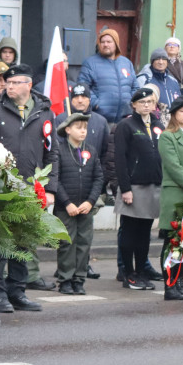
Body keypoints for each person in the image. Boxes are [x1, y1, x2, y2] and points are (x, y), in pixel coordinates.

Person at [0, 64, 57, 312]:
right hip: (1, 188)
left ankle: (17, 291)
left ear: (28, 85)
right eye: (7, 82)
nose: (9, 86)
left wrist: (51, 189)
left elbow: (53, 153)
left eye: (15, 82)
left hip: (32, 189)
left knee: (23, 243)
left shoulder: (44, 113)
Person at [114, 86, 163, 291]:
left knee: (144, 233)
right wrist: (125, 188)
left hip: (153, 186)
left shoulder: (158, 125)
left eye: (150, 102)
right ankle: (128, 273)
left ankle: (142, 271)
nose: (146, 105)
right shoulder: (126, 125)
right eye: (142, 102)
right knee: (129, 232)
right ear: (134, 104)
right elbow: (120, 159)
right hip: (133, 187)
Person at [52, 113, 104, 295]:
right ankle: (65, 279)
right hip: (66, 208)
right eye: (78, 128)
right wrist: (66, 203)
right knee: (67, 243)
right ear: (67, 130)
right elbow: (55, 179)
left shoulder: (90, 150)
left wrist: (90, 201)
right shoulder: (58, 150)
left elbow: (98, 177)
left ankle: (79, 279)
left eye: (85, 128)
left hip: (85, 207)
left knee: (84, 243)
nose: (83, 132)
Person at [158, 95, 183, 297]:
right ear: (174, 114)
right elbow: (173, 165)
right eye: (182, 111)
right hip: (177, 194)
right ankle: (170, 286)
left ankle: (180, 283)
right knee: (174, 241)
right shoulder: (168, 136)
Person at [77, 28, 138, 124]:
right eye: (102, 42)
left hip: (125, 119)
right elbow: (83, 87)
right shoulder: (90, 63)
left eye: (109, 42)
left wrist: (131, 103)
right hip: (100, 119)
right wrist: (97, 104)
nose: (105, 45)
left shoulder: (126, 63)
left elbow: (135, 87)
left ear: (116, 44)